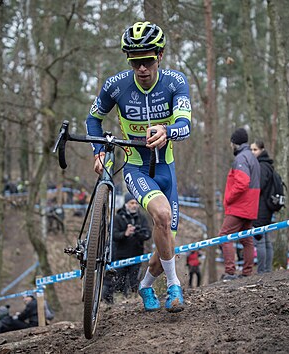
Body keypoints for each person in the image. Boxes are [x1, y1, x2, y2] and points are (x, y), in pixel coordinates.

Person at [86, 21, 191, 313]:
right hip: (136, 166)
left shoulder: (174, 82)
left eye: (146, 60)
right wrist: (98, 150)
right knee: (162, 214)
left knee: (165, 240)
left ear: (159, 56)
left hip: (166, 168)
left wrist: (167, 131)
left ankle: (144, 285)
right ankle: (174, 287)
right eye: (135, 62)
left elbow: (186, 125)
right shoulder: (116, 85)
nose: (142, 68)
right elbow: (92, 120)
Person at [219, 128, 260, 280]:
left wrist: (228, 197)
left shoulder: (241, 158)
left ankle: (230, 272)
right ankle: (247, 272)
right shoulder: (252, 157)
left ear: (235, 143)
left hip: (239, 206)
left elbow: (243, 183)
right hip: (250, 205)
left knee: (224, 236)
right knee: (246, 239)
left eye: (231, 143)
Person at [103, 193, 152, 303]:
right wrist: (125, 234)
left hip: (137, 256)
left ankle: (133, 300)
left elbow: (148, 234)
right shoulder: (117, 218)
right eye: (132, 203)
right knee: (119, 282)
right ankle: (118, 302)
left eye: (136, 203)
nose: (134, 205)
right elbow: (113, 236)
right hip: (120, 257)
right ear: (126, 204)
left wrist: (137, 234)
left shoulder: (142, 218)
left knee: (134, 281)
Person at [250, 140, 276, 274]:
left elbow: (259, 185)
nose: (253, 152)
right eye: (251, 150)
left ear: (262, 150)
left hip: (262, 208)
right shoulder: (267, 165)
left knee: (260, 239)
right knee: (265, 239)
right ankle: (267, 270)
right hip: (265, 206)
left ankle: (262, 271)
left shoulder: (262, 166)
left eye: (255, 150)